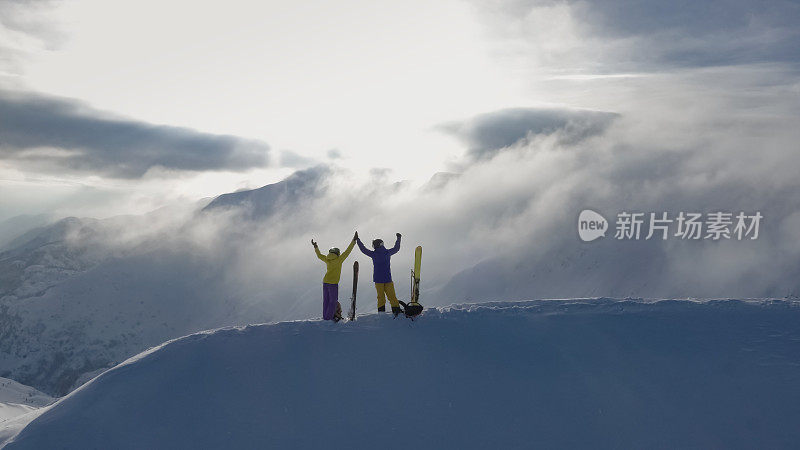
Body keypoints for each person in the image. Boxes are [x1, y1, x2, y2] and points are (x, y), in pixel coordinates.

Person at [312, 232, 357, 321]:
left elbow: (319, 255)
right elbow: (348, 251)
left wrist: (316, 247)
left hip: (325, 282)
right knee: (333, 301)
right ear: (337, 253)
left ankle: (326, 316)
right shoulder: (339, 260)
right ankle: (329, 317)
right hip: (333, 283)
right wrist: (354, 240)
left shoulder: (327, 259)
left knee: (326, 300)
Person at [356, 232, 402, 316]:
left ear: (375, 246)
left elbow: (363, 249)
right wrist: (398, 238)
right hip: (388, 279)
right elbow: (397, 248)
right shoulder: (387, 253)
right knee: (392, 297)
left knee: (381, 297)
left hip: (378, 280)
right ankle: (397, 312)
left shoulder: (374, 254)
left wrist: (358, 240)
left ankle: (381, 314)